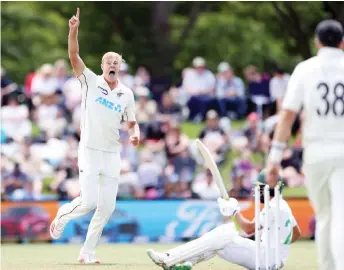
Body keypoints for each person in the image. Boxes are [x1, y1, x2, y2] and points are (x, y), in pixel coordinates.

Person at [49, 8, 140, 264]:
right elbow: (73, 55)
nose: (112, 66)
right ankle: (62, 216)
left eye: (116, 63)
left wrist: (135, 135)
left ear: (120, 68)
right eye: (108, 63)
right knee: (88, 202)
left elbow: (132, 123)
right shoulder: (89, 81)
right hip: (89, 149)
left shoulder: (127, 94)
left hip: (112, 153)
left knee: (107, 207)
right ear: (102, 66)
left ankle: (87, 252)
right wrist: (73, 30)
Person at [266, 19, 344, 270]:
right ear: (342, 42)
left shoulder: (305, 68)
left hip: (316, 153)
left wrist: (274, 159)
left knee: (324, 218)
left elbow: (287, 115)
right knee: (340, 217)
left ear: (317, 42)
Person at [146, 170, 301, 270]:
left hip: (265, 260)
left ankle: (168, 259)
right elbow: (296, 233)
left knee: (223, 233)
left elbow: (249, 228)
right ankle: (186, 264)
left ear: (270, 188)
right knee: (220, 242)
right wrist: (277, 243)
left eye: (259, 187)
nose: (256, 191)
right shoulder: (283, 205)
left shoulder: (273, 207)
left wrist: (234, 211)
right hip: (271, 259)